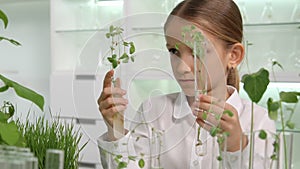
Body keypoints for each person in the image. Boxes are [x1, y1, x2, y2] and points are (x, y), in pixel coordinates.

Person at [97, 0, 275, 168]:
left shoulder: (258, 122)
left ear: (233, 55)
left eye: (197, 51)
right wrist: (116, 129)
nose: (181, 67)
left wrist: (236, 146)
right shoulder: (153, 110)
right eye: (174, 51)